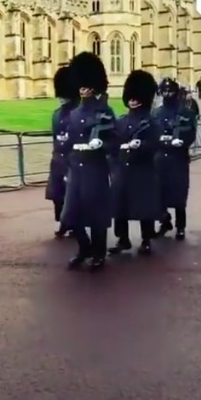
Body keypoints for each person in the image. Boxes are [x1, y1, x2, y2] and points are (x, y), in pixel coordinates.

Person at [60, 52, 119, 272]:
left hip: (95, 168)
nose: (82, 89)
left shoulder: (105, 112)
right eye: (80, 85)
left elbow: (114, 142)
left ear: (93, 86)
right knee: (72, 214)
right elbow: (67, 142)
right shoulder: (74, 113)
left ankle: (98, 253)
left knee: (96, 213)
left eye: (86, 85)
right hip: (76, 167)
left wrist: (101, 145)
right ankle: (84, 248)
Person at [109, 70, 163, 256]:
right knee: (120, 207)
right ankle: (123, 239)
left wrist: (140, 146)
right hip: (122, 169)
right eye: (130, 97)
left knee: (144, 207)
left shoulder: (150, 121)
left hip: (142, 170)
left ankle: (146, 239)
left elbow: (155, 143)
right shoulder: (121, 120)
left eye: (135, 97)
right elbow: (114, 141)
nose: (132, 100)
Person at [154, 77, 198, 240]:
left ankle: (181, 226)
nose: (167, 94)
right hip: (160, 158)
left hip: (178, 157)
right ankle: (164, 221)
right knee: (159, 193)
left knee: (179, 194)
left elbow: (191, 132)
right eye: (164, 91)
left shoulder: (186, 112)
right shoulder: (156, 113)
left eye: (170, 91)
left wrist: (183, 142)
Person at [46, 65, 78, 239]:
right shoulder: (57, 114)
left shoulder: (76, 112)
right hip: (58, 157)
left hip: (72, 158)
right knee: (57, 194)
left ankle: (72, 223)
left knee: (71, 194)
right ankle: (62, 222)